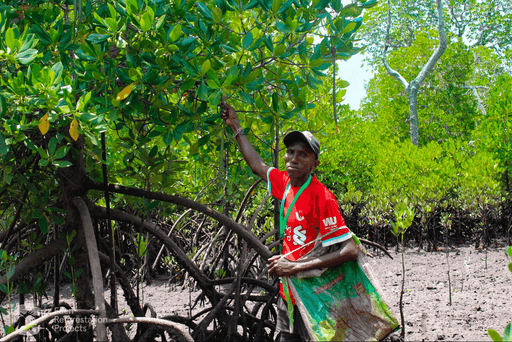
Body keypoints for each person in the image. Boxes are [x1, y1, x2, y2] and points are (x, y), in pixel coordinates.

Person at [220, 102, 359, 342]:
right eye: (290, 152)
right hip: (289, 293)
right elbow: (257, 165)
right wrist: (236, 126)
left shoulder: (322, 197)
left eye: (303, 154)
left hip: (316, 295)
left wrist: (293, 267)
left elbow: (351, 249)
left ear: (315, 164)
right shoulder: (284, 183)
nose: (293, 158)